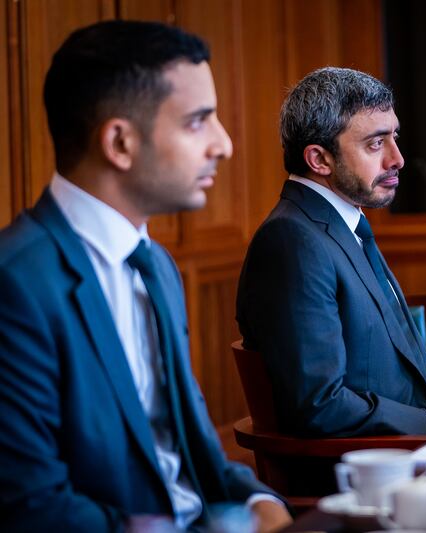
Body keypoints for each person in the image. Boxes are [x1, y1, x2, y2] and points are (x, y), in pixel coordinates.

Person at [0, 21, 290, 532]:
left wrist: (260, 504)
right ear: (119, 142)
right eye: (199, 122)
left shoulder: (155, 266)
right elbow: (32, 507)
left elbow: (190, 455)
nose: (223, 144)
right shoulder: (16, 285)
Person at [236, 67, 426, 438]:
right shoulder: (292, 241)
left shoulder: (341, 223)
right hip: (366, 472)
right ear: (319, 160)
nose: (397, 159)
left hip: (408, 444)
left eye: (394, 137)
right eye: (376, 144)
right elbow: (319, 404)